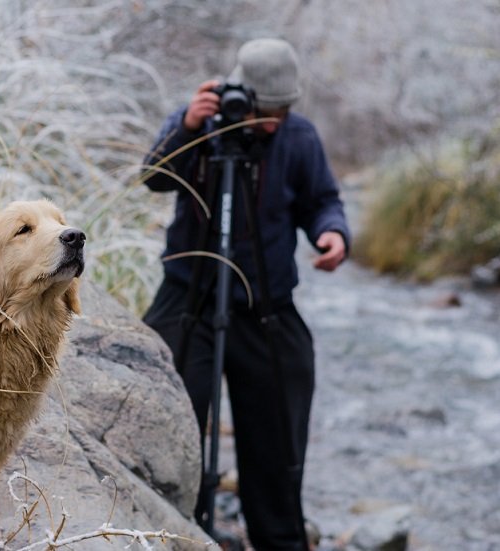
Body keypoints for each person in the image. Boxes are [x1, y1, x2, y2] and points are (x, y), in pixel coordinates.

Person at [139, 38, 350, 551]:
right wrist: (187, 126)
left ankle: (279, 537)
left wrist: (333, 233)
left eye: (283, 110)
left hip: (266, 309)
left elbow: (323, 200)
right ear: (240, 96)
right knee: (164, 425)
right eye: (264, 110)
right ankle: (166, 533)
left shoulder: (298, 138)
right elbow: (154, 176)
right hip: (190, 300)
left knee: (278, 442)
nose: (273, 121)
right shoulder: (200, 124)